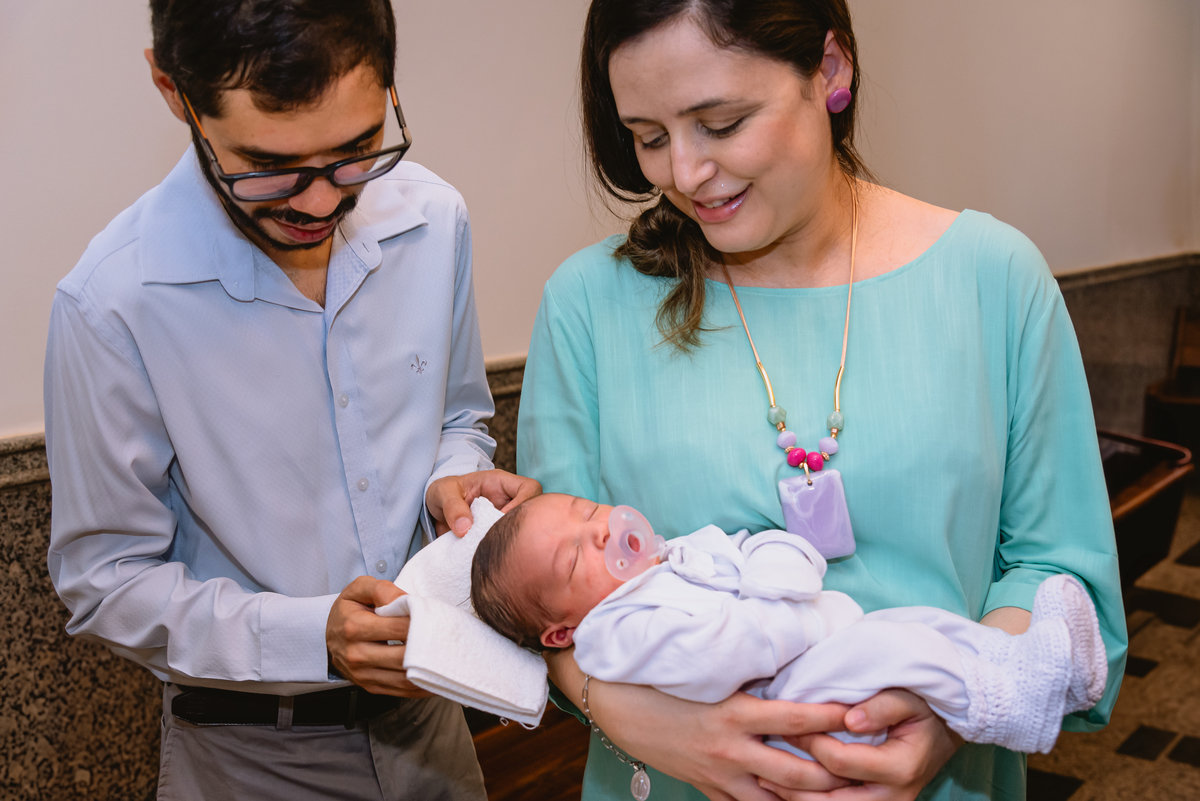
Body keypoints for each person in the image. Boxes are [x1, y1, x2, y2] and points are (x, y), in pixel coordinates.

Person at [516, 1, 1127, 799]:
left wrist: (950, 704)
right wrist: (660, 727)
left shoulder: (994, 279)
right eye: (650, 137)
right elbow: (541, 598)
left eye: (722, 122)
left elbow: (1058, 572)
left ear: (830, 72)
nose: (685, 174)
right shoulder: (588, 304)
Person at [43, 2, 538, 799]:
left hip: (436, 726)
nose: (317, 203)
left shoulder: (433, 220)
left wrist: (455, 478)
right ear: (175, 93)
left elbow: (456, 417)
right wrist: (314, 637)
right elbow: (106, 580)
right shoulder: (113, 303)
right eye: (269, 166)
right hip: (249, 757)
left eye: (356, 151)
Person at [470, 493, 1107, 758]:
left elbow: (751, 547)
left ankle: (1039, 668)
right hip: (785, 693)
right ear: (560, 633)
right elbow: (720, 654)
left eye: (588, 511)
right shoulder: (615, 631)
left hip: (821, 642)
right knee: (903, 646)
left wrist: (783, 561)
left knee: (928, 624)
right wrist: (786, 610)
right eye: (576, 554)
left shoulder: (670, 555)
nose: (602, 530)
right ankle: (1003, 703)